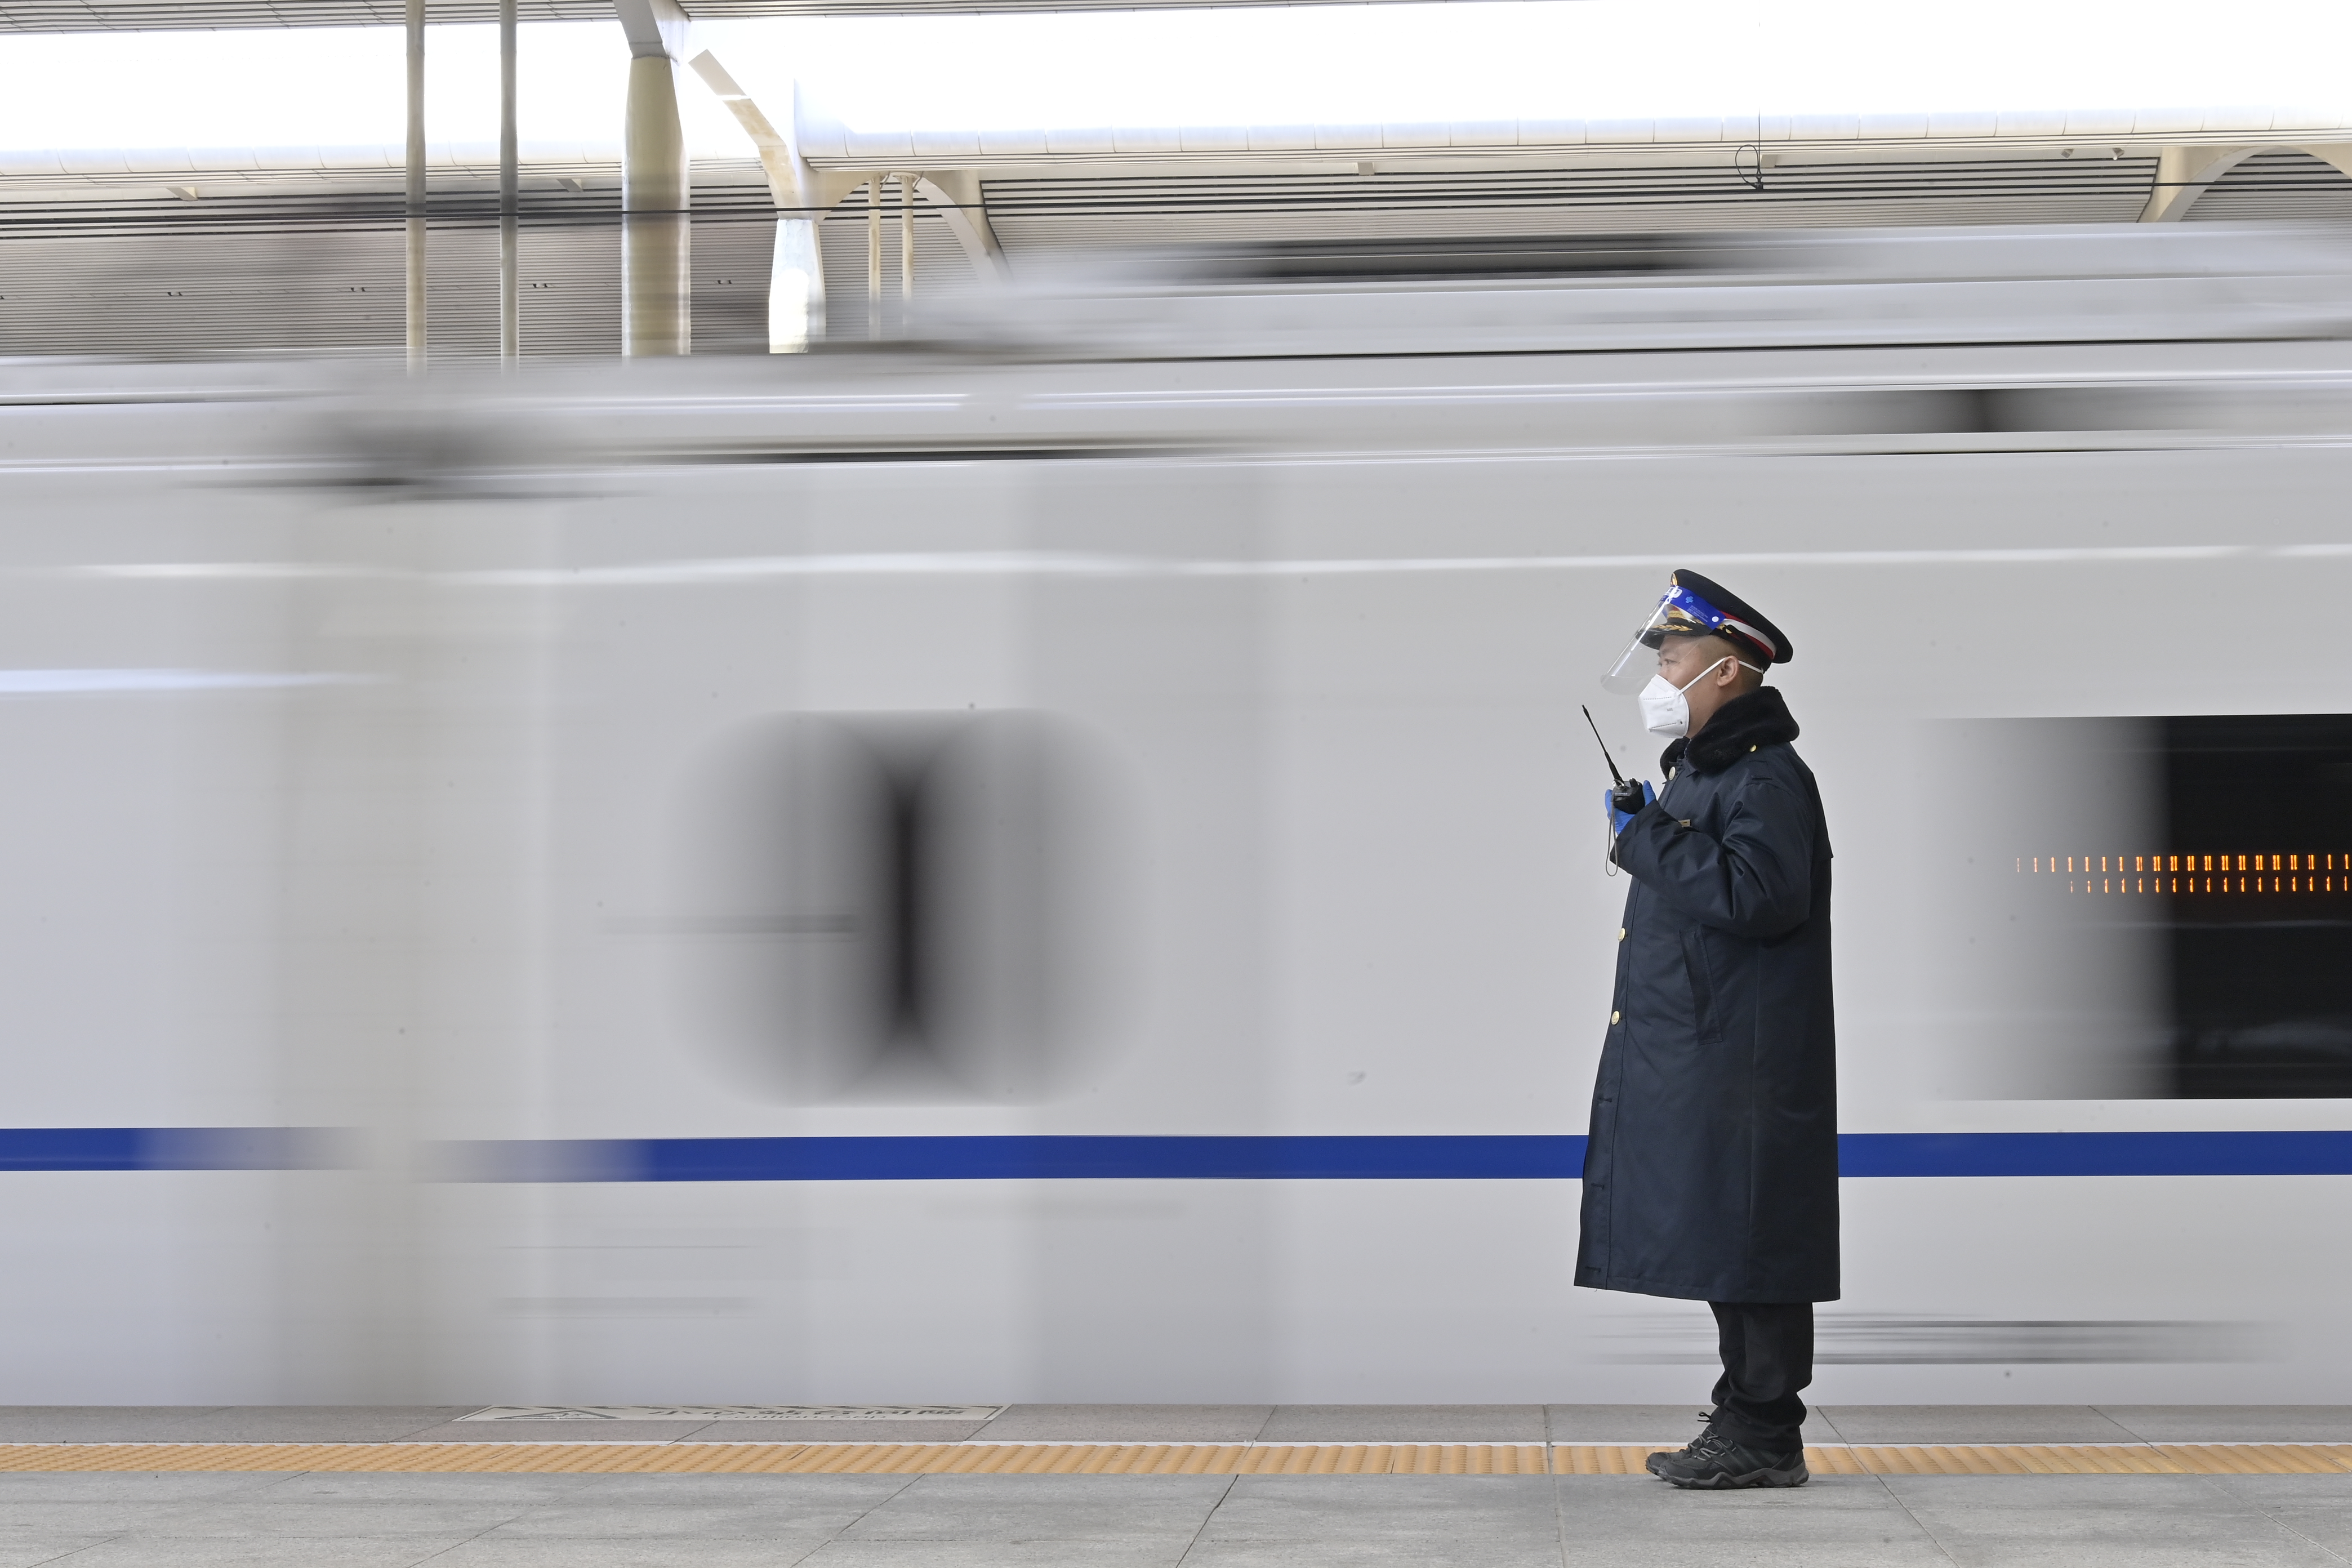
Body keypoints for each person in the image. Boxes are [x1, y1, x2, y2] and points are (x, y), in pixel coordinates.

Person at [1579, 569, 1837, 1490]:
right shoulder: (1711, 774)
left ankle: (1764, 1432)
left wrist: (1643, 838)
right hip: (1718, 1055)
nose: (1661, 679)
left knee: (1754, 1243)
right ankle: (1747, 1419)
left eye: (1674, 661)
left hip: (1743, 1063)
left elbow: (1761, 899)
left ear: (1726, 672)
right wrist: (1653, 828)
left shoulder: (1764, 778)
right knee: (1733, 1242)